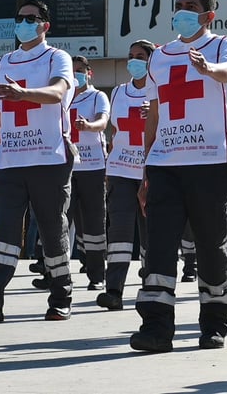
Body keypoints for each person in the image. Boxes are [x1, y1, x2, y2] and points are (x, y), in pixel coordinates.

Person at [131, 0, 227, 352]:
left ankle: (214, 322)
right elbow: (156, 113)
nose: (181, 11)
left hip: (211, 160)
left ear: (208, 15)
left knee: (211, 245)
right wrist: (146, 170)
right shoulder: (159, 56)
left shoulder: (223, 45)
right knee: (159, 247)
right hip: (165, 163)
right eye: (178, 5)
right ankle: (156, 328)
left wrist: (208, 68)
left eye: (190, 6)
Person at [0, 0, 75, 322]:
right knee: (3, 234)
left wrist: (23, 94)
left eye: (31, 18)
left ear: (45, 25)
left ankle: (60, 296)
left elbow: (57, 92)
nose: (24, 23)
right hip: (9, 161)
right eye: (20, 18)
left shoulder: (57, 57)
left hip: (48, 158)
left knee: (53, 230)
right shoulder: (5, 61)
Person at [96, 39, 155, 311]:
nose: (134, 61)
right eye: (131, 56)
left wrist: (156, 113)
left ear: (151, 60)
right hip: (120, 170)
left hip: (151, 170)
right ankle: (114, 290)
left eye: (140, 56)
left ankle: (152, 286)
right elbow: (116, 132)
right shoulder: (119, 91)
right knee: (118, 231)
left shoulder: (160, 92)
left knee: (151, 233)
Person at [66, 55, 110, 291]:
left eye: (80, 70)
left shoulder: (97, 97)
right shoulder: (62, 98)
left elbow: (103, 122)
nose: (75, 75)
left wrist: (88, 126)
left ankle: (97, 275)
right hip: (65, 167)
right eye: (71, 71)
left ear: (89, 73)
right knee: (61, 222)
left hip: (92, 167)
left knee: (94, 224)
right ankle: (55, 273)